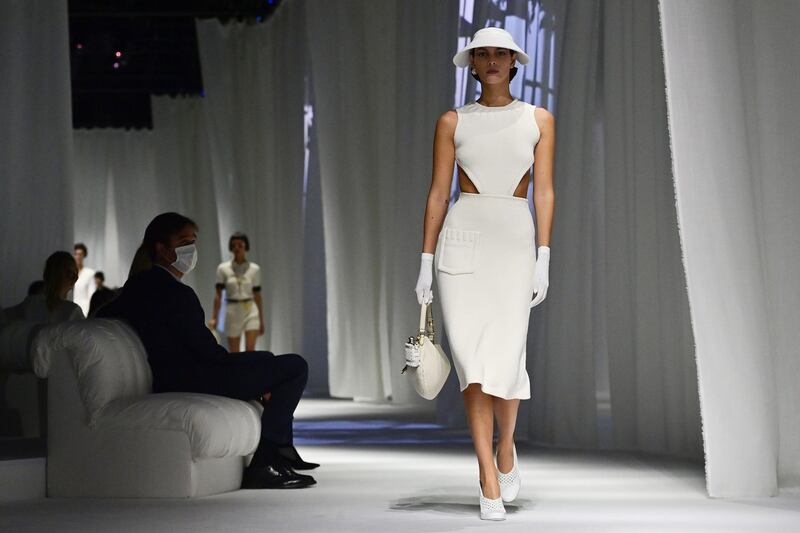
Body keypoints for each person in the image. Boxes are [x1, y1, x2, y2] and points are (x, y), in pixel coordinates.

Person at [415, 27, 555, 521]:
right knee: (473, 364)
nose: (492, 60)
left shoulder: (537, 119)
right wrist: (427, 261)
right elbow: (438, 192)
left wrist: (543, 254)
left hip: (515, 241)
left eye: (500, 53)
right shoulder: (453, 121)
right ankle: (485, 474)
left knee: (508, 358)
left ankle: (507, 444)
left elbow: (544, 191)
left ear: (514, 61)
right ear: (471, 64)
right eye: (483, 54)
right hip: (463, 239)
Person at [97, 212, 318, 489]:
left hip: (178, 375)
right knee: (294, 367)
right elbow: (208, 353)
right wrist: (255, 366)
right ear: (162, 249)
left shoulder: (137, 286)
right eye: (183, 242)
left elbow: (102, 314)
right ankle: (266, 460)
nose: (190, 249)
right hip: (195, 377)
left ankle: (281, 451)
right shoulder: (176, 294)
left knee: (271, 364)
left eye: (193, 241)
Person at [210, 233, 265, 352]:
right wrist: (214, 317)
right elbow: (218, 295)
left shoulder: (254, 269)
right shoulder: (223, 269)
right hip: (232, 310)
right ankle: (237, 371)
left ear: (246, 247)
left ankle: (250, 371)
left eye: (240, 245)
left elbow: (257, 295)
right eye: (234, 245)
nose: (237, 248)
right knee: (234, 353)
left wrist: (261, 319)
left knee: (250, 351)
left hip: (251, 309)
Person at [3, 252, 84, 323]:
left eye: (75, 273)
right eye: (70, 273)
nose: (75, 278)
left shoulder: (30, 304)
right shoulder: (72, 311)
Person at [71, 243, 96, 317]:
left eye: (80, 254)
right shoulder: (69, 274)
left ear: (84, 255)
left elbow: (91, 294)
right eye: (76, 254)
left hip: (85, 310)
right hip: (71, 309)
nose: (78, 257)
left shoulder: (90, 273)